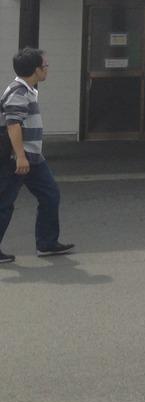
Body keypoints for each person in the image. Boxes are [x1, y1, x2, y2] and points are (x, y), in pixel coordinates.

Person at [0, 47, 74, 263]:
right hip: (17, 160)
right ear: (36, 69)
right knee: (4, 203)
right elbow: (13, 125)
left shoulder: (27, 90)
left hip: (33, 158)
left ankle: (47, 243)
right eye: (45, 66)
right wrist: (20, 156)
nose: (47, 69)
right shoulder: (18, 92)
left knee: (50, 195)